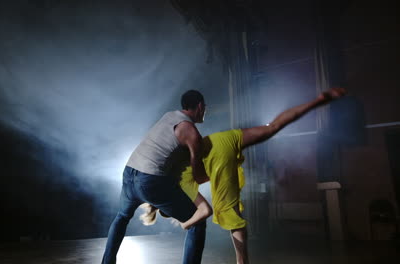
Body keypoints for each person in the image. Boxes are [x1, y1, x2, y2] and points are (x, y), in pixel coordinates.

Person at [140, 87, 346, 264]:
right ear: (201, 106)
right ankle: (318, 100)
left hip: (218, 158)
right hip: (220, 140)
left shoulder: (182, 184)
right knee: (271, 128)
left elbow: (204, 211)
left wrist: (186, 224)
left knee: (228, 212)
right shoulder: (175, 172)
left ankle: (242, 262)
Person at [102, 90, 210, 264]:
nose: (206, 110)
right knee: (197, 221)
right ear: (199, 106)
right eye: (205, 107)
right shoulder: (192, 133)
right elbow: (198, 175)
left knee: (121, 217)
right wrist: (217, 174)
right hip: (150, 180)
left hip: (129, 171)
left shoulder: (169, 116)